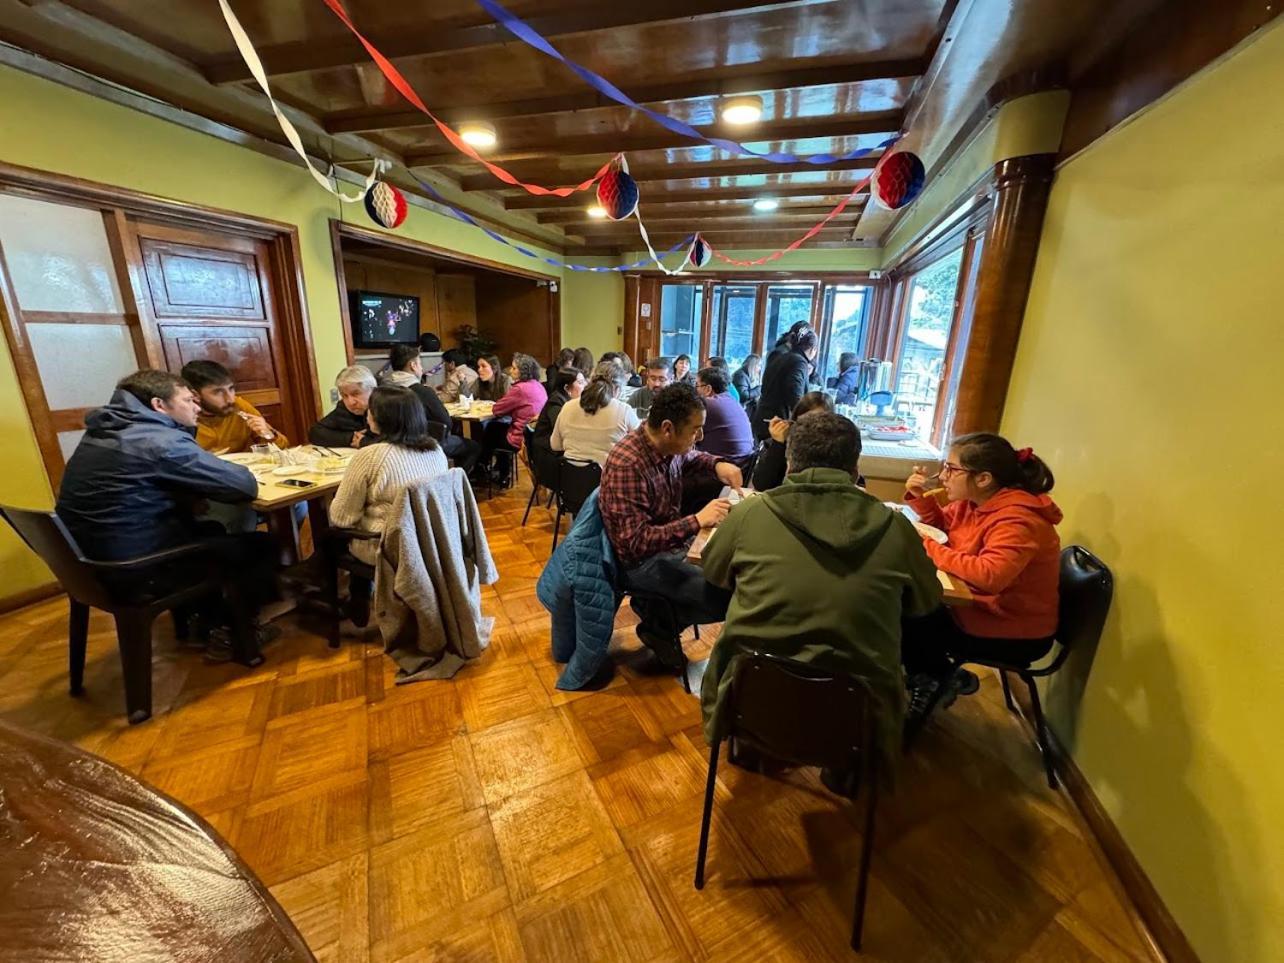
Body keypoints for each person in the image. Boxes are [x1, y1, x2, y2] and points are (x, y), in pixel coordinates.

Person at [700, 412, 942, 786]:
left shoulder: (749, 513)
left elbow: (714, 573)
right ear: (855, 466)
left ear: (790, 461)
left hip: (747, 702)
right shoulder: (896, 528)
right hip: (860, 719)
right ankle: (843, 768)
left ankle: (760, 746)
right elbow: (925, 602)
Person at [55, 370, 276, 655]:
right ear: (159, 405)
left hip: (84, 567)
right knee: (259, 545)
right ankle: (236, 633)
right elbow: (243, 485)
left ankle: (204, 622)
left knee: (212, 530)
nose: (197, 407)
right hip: (134, 570)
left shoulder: (104, 432)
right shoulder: (159, 441)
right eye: (188, 400)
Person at [900, 433, 1063, 713]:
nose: (942, 477)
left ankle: (933, 679)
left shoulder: (1017, 518)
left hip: (1013, 628)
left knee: (906, 611)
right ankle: (938, 672)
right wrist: (921, 501)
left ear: (983, 478)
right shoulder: (975, 502)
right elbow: (944, 531)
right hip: (984, 608)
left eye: (951, 469)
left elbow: (990, 576)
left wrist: (923, 546)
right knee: (904, 600)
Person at [599, 384, 743, 656]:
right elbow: (635, 544)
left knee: (734, 572)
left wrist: (716, 464)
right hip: (641, 563)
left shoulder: (665, 445)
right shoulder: (628, 463)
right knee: (727, 595)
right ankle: (660, 625)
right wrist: (697, 521)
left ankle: (660, 619)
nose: (699, 436)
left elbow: (690, 455)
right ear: (668, 428)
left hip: (668, 546)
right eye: (695, 429)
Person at [328, 387, 450, 620]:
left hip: (388, 546)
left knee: (330, 537)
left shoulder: (369, 456)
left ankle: (355, 603)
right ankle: (361, 601)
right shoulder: (436, 450)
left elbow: (342, 518)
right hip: (432, 541)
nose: (367, 415)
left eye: (370, 411)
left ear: (379, 418)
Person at [381, 344, 481, 473]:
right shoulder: (422, 391)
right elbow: (446, 422)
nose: (421, 368)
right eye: (420, 364)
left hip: (392, 446)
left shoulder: (384, 389)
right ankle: (455, 482)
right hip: (422, 443)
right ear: (413, 365)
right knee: (473, 447)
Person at [181, 360, 289, 453]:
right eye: (218, 392)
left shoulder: (239, 406)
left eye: (231, 389)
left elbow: (282, 448)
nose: (230, 399)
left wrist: (269, 435)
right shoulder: (181, 416)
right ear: (195, 395)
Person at [551, 361, 640, 466]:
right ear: (617, 389)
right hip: (607, 477)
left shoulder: (568, 406)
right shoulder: (623, 410)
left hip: (570, 476)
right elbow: (640, 446)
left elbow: (555, 445)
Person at [480, 353, 547, 482]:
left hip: (521, 438)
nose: (511, 370)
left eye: (514, 368)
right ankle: (502, 472)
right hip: (536, 434)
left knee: (492, 429)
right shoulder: (538, 385)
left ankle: (484, 467)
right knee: (498, 428)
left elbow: (497, 410)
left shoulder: (520, 389)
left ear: (523, 371)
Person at [752, 391, 833, 492]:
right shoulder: (784, 442)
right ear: (795, 420)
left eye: (820, 421)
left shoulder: (832, 449)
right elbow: (761, 484)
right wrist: (778, 444)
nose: (813, 427)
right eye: (807, 421)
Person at [754, 324, 818, 441]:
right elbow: (795, 394)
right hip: (777, 421)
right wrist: (806, 422)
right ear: (813, 349)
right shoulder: (799, 362)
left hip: (765, 416)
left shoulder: (782, 356)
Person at [310, 365, 381, 449]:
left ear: (373, 390)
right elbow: (316, 432)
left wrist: (364, 442)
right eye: (344, 396)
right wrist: (350, 438)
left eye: (356, 393)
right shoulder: (344, 408)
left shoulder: (389, 404)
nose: (350, 402)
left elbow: (396, 441)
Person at [695, 366, 754, 465]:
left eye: (697, 385)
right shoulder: (732, 401)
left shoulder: (708, 404)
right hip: (743, 465)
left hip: (723, 469)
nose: (695, 390)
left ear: (708, 389)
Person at [532, 366, 585, 450]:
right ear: (567, 388)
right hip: (547, 451)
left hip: (557, 447)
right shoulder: (556, 403)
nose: (585, 386)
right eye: (580, 382)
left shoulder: (570, 401)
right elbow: (563, 432)